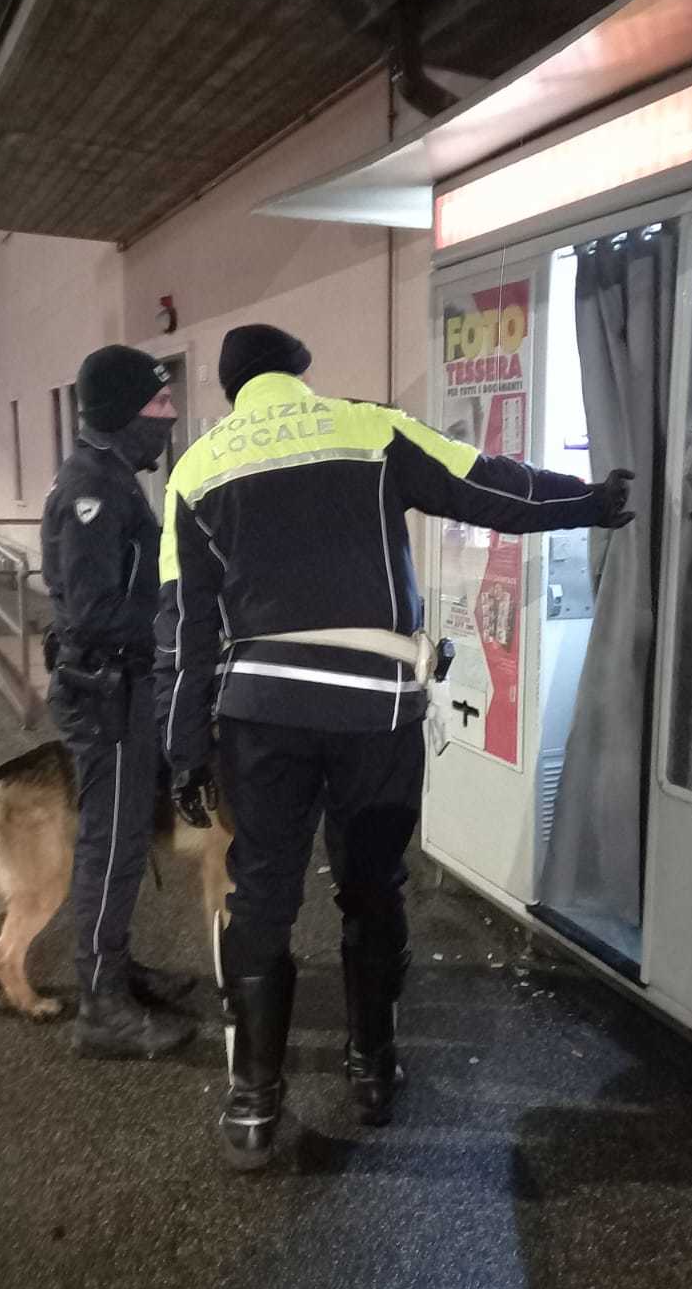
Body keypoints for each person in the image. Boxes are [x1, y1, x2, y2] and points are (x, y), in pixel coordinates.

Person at [155, 323, 633, 1168]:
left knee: (262, 893)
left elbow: (187, 628)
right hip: (374, 709)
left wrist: (187, 748)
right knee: (371, 887)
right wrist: (593, 501)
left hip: (260, 713)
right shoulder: (367, 425)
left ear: (231, 393)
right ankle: (371, 1068)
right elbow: (492, 490)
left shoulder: (195, 470)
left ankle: (255, 1105)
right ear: (300, 373)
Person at [41, 344, 196, 1060]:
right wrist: (174, 619)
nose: (169, 417)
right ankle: (101, 1005)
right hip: (106, 690)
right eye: (159, 405)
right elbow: (95, 608)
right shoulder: (91, 490)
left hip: (120, 687)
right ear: (122, 412)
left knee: (126, 841)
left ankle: (116, 967)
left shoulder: (114, 477)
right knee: (110, 848)